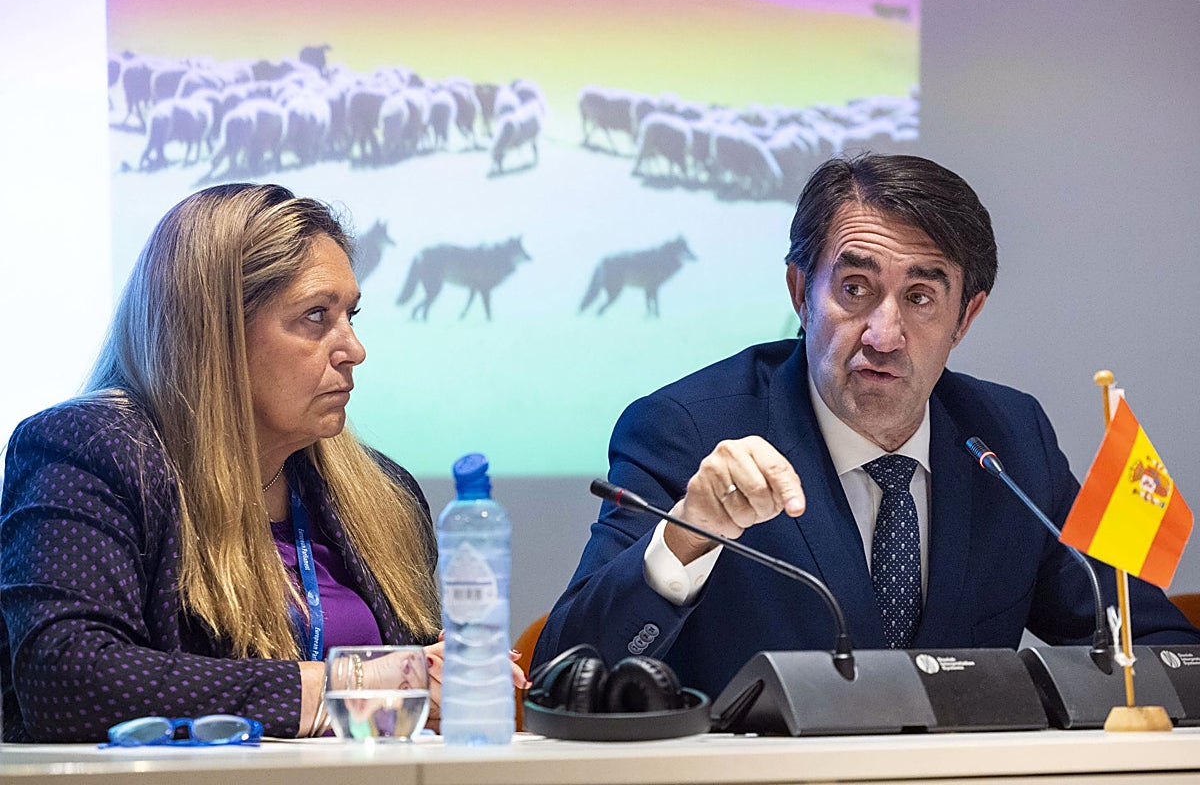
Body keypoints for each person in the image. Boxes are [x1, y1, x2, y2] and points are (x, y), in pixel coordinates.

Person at [533, 153, 1200, 700]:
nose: (884, 334)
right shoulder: (687, 429)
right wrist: (684, 536)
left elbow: (1157, 650)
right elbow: (565, 673)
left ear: (965, 317)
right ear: (801, 292)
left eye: (921, 297)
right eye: (854, 289)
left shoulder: (1008, 439)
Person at [0, 183, 525, 743]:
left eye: (351, 315)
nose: (354, 349)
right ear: (216, 331)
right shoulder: (87, 450)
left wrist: (445, 684)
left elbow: (401, 699)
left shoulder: (384, 493)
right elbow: (67, 677)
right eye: (316, 316)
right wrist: (338, 688)